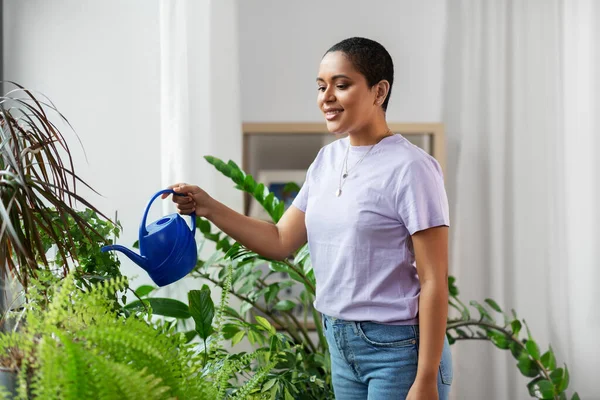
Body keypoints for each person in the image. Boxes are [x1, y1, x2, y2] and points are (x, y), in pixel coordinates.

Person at [164, 37, 452, 400]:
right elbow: (280, 240)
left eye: (341, 85)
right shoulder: (326, 162)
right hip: (342, 347)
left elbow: (433, 280)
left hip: (399, 352)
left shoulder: (412, 168)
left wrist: (425, 378)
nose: (326, 97)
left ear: (379, 92)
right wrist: (208, 207)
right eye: (321, 86)